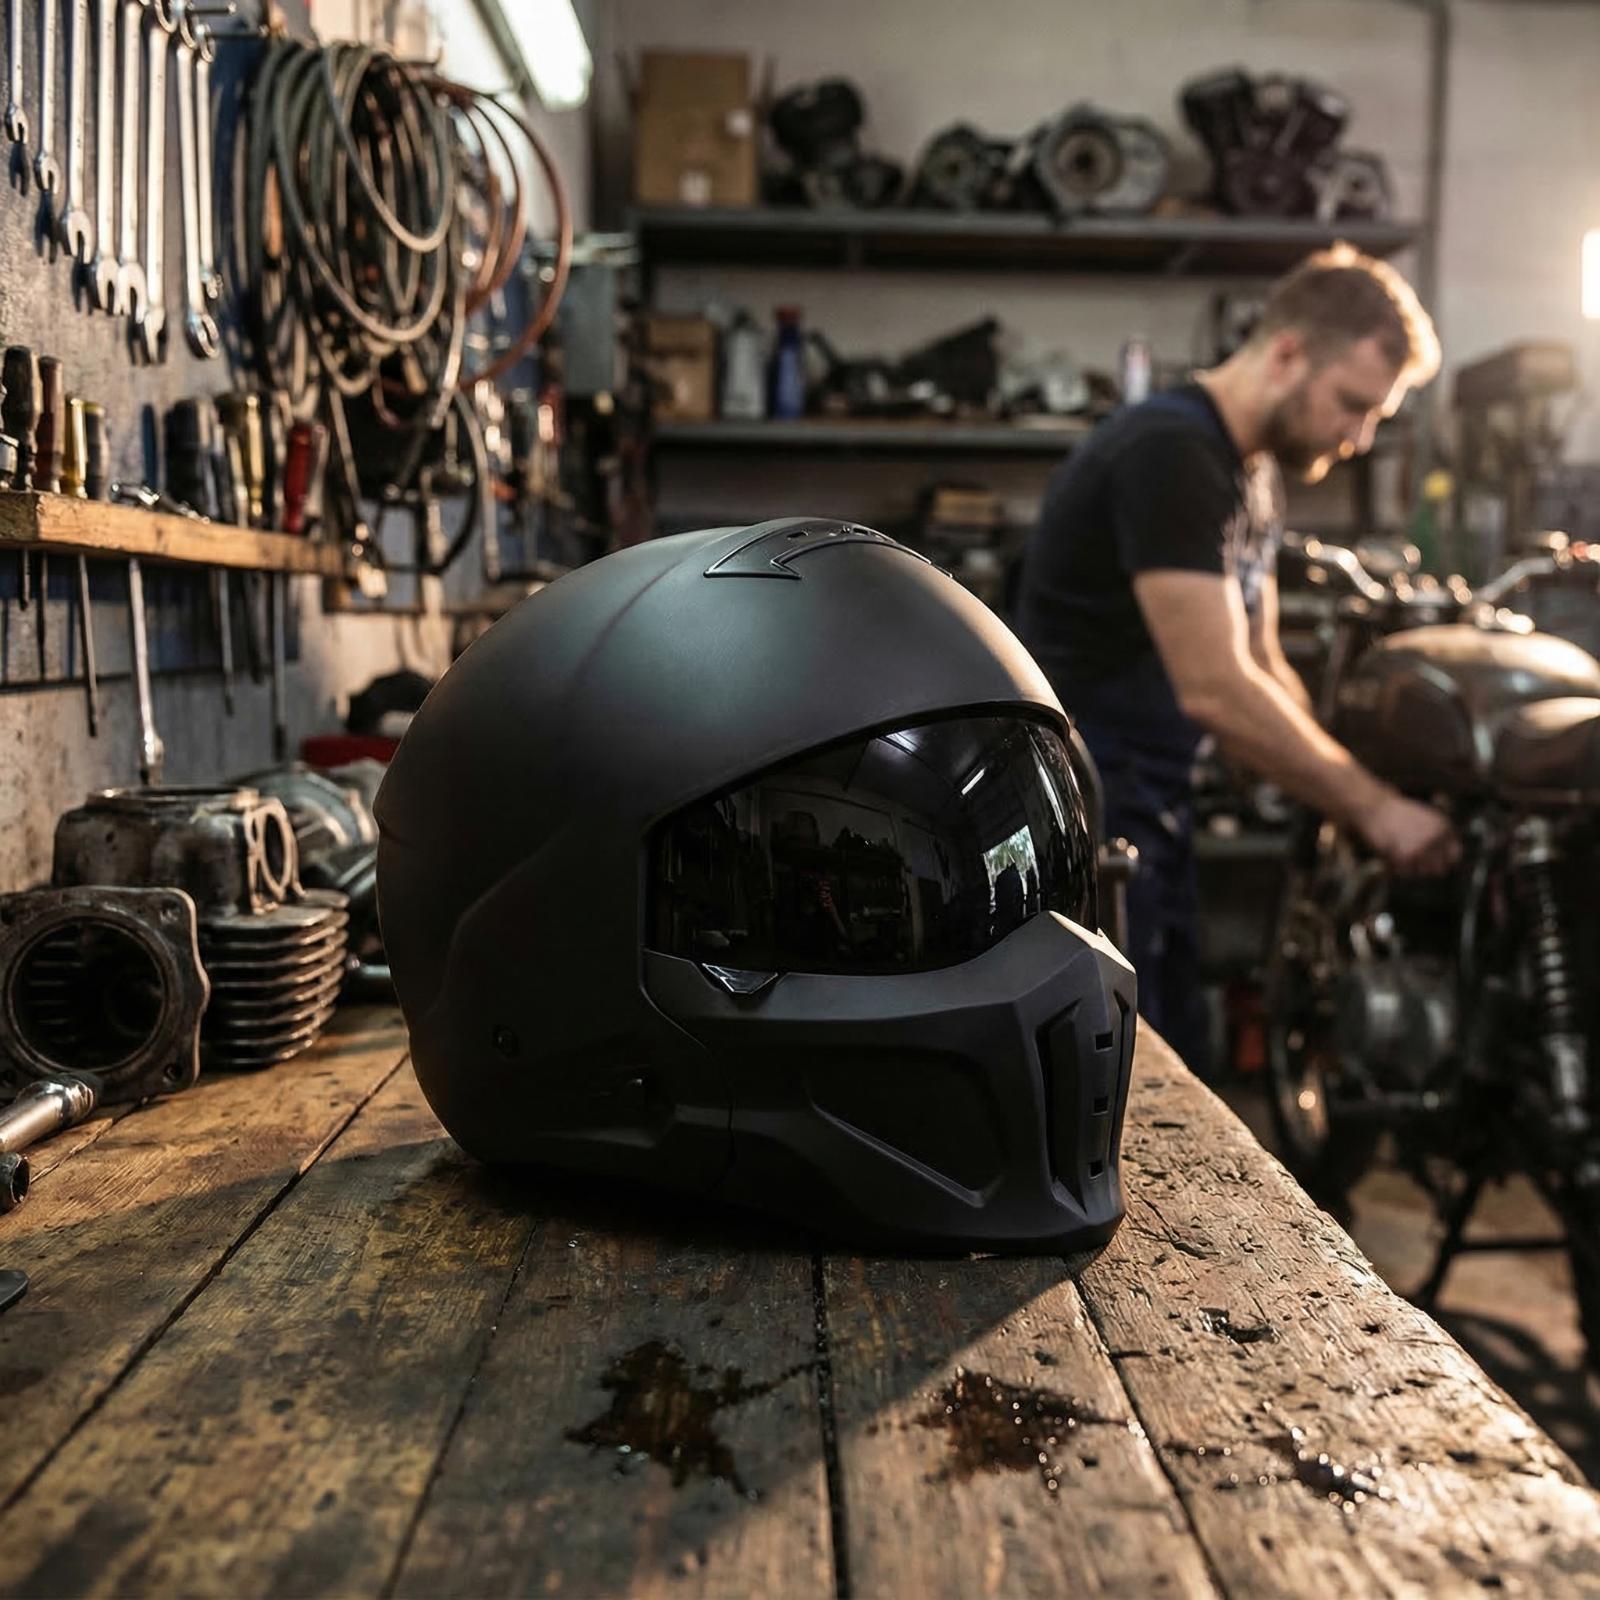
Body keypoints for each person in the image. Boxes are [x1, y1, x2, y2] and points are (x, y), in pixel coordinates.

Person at [1014, 244, 1459, 1072]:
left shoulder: (1252, 473)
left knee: (1181, 1039)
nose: (1360, 438)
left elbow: (1263, 663)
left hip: (1155, 798)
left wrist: (1336, 783)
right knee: (1128, 1065)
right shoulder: (1170, 451)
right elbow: (1216, 689)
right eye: (1353, 405)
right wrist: (1374, 810)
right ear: (1287, 353)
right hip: (1088, 805)